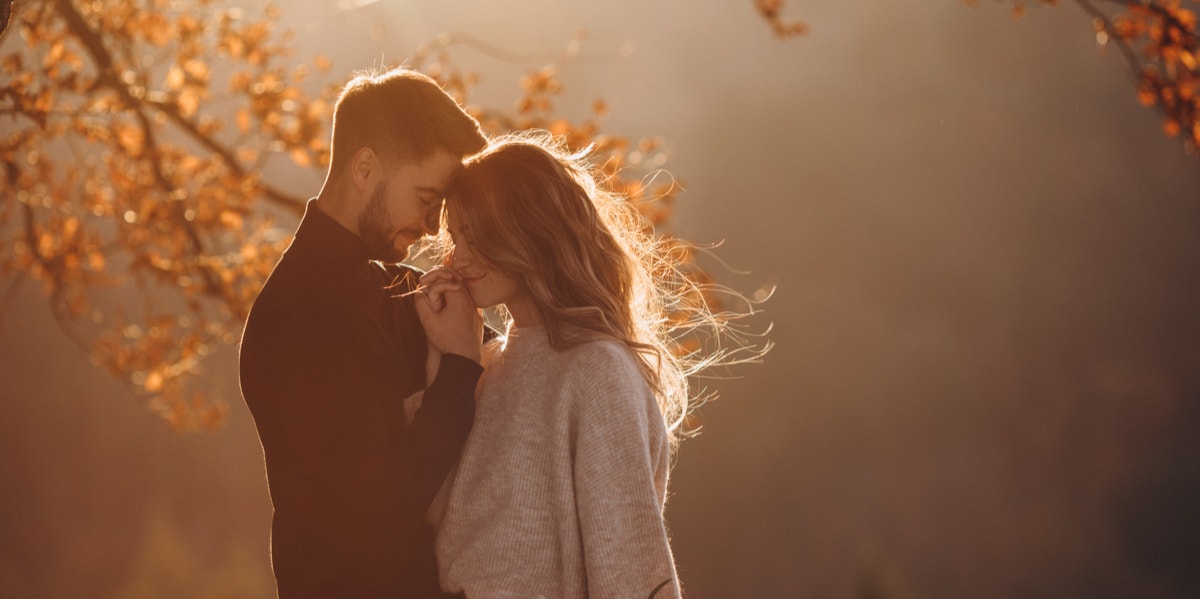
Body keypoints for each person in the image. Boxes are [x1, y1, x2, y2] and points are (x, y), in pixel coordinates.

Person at [410, 133, 705, 599]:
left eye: (476, 236)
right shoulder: (485, 365)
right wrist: (445, 358)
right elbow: (430, 516)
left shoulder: (597, 370)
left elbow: (628, 565)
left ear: (529, 231)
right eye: (456, 238)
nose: (457, 258)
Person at [238, 67, 487, 598]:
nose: (431, 224)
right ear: (366, 167)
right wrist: (461, 371)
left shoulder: (402, 291)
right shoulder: (294, 317)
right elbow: (380, 505)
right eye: (426, 199)